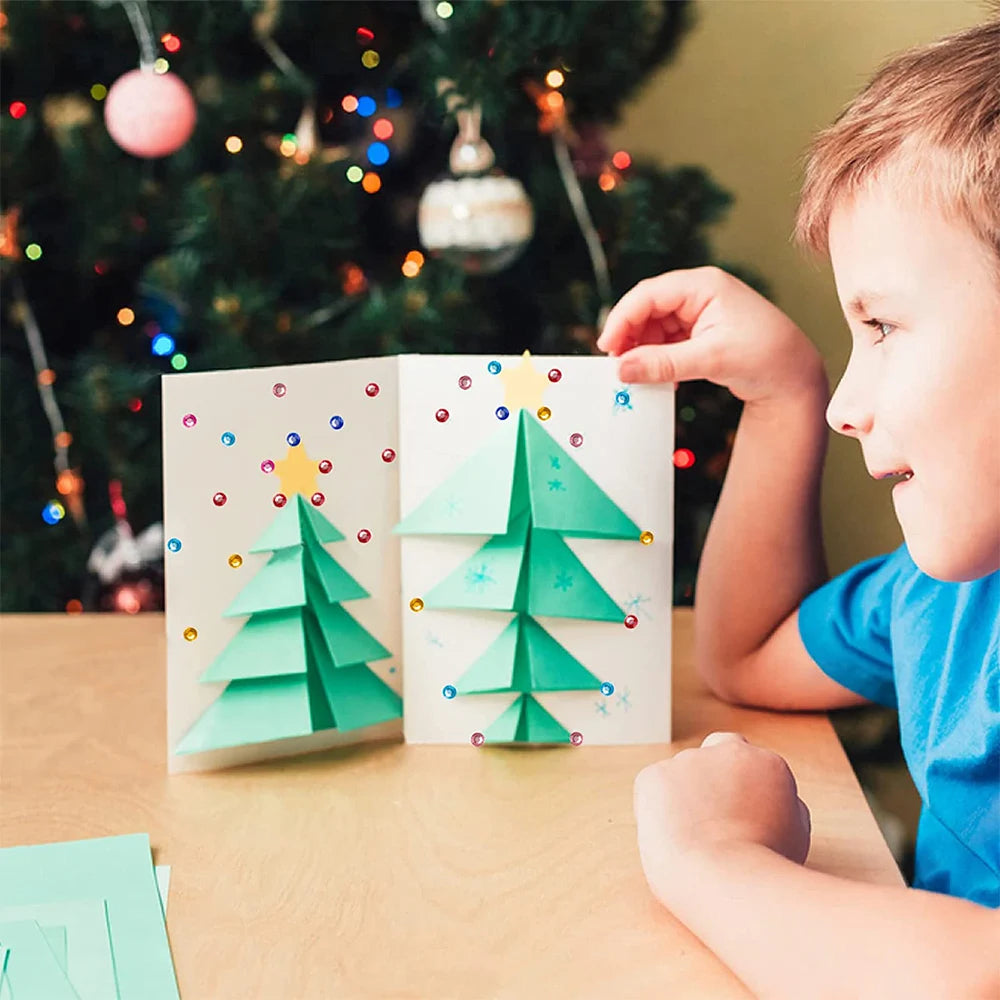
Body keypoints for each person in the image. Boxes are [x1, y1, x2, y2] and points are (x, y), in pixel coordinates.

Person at [597, 17, 999, 999]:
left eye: (884, 325)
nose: (846, 407)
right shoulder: (939, 598)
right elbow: (744, 655)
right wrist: (780, 399)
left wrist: (715, 860)